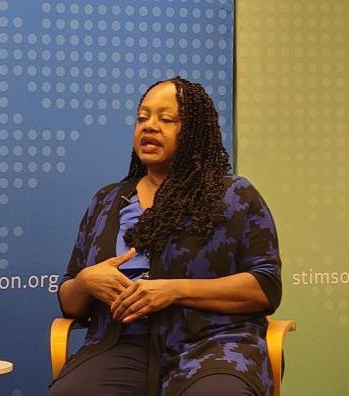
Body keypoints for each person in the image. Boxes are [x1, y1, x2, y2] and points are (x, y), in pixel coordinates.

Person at [47, 77, 282, 396]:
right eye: (142, 118)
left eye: (166, 119)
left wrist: (174, 291)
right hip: (123, 344)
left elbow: (265, 287)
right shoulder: (107, 201)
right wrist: (87, 281)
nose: (150, 126)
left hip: (212, 343)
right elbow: (70, 302)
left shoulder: (233, 196)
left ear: (195, 132)